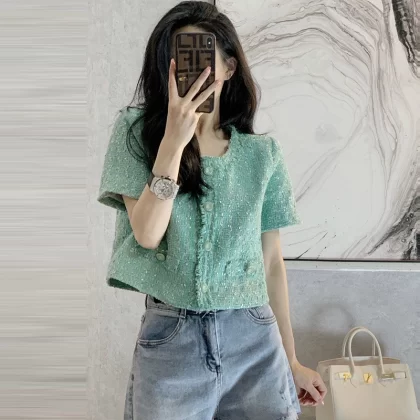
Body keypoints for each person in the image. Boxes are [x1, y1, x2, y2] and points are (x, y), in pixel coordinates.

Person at [97, 1, 327, 419]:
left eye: (200, 56)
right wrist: (173, 141)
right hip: (172, 339)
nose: (187, 70)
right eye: (176, 58)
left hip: (254, 339)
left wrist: (291, 360)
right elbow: (147, 233)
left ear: (229, 67)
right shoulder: (135, 133)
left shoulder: (262, 155)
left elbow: (271, 263)